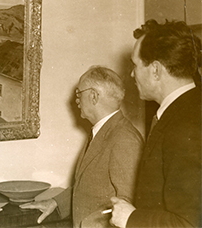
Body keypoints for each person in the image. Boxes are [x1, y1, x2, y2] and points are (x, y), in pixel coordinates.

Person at [21, 66, 143, 227]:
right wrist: (55, 202)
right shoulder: (103, 131)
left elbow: (128, 204)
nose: (77, 100)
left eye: (79, 93)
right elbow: (91, 188)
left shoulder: (124, 139)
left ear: (93, 96)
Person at [110, 19, 202, 228]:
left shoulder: (183, 126)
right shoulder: (189, 108)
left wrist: (130, 218)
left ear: (156, 70)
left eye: (135, 65)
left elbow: (188, 223)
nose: (132, 74)